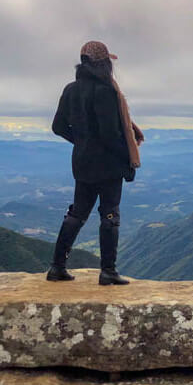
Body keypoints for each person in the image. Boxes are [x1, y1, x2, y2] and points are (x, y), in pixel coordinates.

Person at [48, 40, 144, 285]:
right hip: (108, 164)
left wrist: (81, 141)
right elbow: (110, 134)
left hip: (82, 163)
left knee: (77, 213)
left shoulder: (70, 89)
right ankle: (108, 271)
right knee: (110, 214)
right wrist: (128, 159)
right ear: (103, 64)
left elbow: (58, 127)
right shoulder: (107, 92)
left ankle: (57, 267)